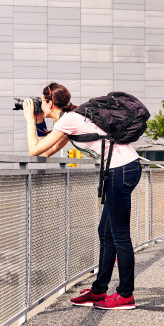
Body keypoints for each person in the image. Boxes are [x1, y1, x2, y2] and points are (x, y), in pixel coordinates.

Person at [23, 82, 142, 310]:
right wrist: (39, 120)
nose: (39, 105)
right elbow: (48, 149)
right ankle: (98, 292)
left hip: (121, 170)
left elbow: (34, 150)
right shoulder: (69, 120)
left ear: (50, 102)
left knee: (120, 237)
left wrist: (29, 119)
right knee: (106, 233)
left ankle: (126, 295)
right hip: (121, 170)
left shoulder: (69, 120)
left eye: (41, 101)